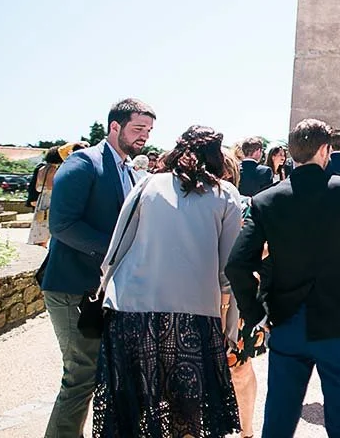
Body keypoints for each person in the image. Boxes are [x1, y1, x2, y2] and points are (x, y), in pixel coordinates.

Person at [226, 119, 340, 438]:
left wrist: (256, 312)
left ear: (291, 154)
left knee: (279, 416)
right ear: (325, 150)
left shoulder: (267, 200)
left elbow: (237, 265)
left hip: (287, 319)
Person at [91, 126, 244, 438]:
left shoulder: (147, 184)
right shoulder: (225, 194)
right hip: (194, 313)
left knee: (132, 403)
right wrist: (231, 325)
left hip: (131, 308)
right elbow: (230, 271)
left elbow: (117, 246)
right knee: (188, 409)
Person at [41, 98, 154, 438]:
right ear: (114, 126)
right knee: (81, 377)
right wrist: (116, 251)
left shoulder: (127, 169)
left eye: (148, 130)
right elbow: (61, 224)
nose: (144, 136)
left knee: (96, 375)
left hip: (99, 292)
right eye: (138, 128)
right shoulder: (82, 162)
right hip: (71, 287)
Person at [215, 147, 262, 438]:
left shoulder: (246, 205)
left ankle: (247, 431)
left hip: (237, 299)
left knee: (239, 367)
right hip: (197, 293)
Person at [27, 142, 88, 247]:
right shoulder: (55, 170)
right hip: (52, 199)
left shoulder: (41, 169)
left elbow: (37, 188)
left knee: (40, 225)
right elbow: (55, 186)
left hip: (42, 199)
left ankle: (40, 245)